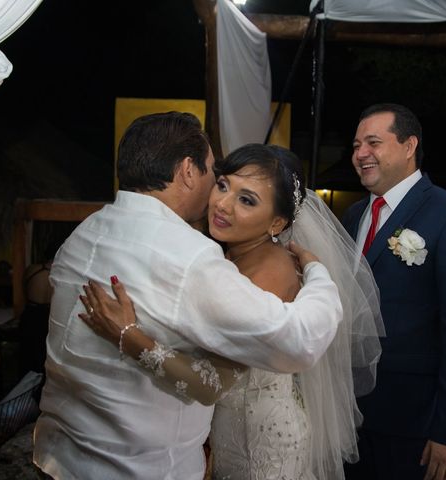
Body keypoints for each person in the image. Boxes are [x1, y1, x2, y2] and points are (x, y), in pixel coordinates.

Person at [33, 112, 345, 480]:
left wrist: (315, 270)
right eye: (219, 179)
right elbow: (298, 340)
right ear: (186, 170)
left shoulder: (85, 232)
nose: (220, 199)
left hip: (60, 455)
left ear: (277, 222)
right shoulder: (193, 257)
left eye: (246, 199)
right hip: (141, 468)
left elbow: (239, 368)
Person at [341, 103, 446, 480]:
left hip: (415, 422)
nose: (361, 153)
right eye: (357, 144)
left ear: (409, 146)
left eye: (373, 142)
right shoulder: (353, 215)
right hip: (349, 413)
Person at [17, 241, 59, 378]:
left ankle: (24, 389)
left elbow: (23, 291)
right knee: (43, 356)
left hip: (30, 313)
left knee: (26, 354)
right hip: (47, 317)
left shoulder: (32, 269)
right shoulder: (60, 276)